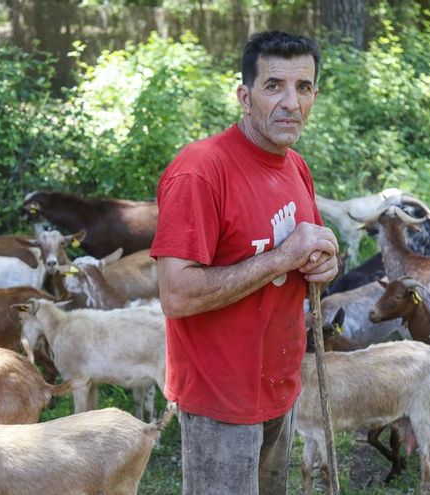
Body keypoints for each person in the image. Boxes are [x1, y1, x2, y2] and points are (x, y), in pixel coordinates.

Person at [150, 31, 339, 494]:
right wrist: (282, 258)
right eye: (273, 85)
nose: (290, 103)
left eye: (304, 88)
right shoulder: (200, 170)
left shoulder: (295, 166)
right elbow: (176, 295)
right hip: (220, 399)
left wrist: (323, 265)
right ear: (244, 95)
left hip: (279, 385)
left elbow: (304, 255)